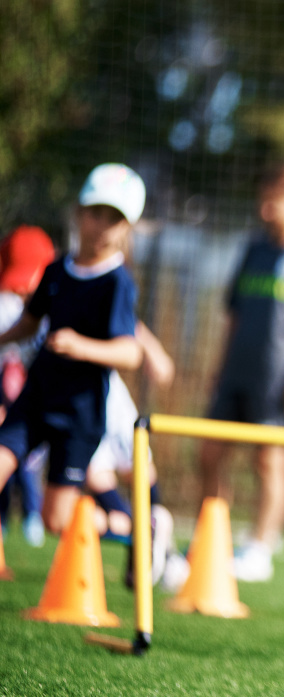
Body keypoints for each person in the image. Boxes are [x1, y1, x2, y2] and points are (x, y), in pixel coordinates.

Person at [200, 162, 284, 582]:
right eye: (265, 196)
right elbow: (234, 315)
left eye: (276, 197)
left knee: (269, 461)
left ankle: (261, 547)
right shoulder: (253, 248)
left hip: (277, 378)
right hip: (236, 372)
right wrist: (220, 366)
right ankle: (214, 539)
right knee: (209, 454)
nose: (267, 206)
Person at [0, 163, 145, 539]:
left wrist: (81, 346)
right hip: (37, 396)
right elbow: (29, 324)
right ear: (79, 213)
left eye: (113, 219)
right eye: (96, 213)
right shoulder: (56, 269)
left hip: (80, 413)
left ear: (126, 228)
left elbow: (130, 354)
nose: (101, 225)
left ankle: (131, 528)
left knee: (57, 521)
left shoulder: (117, 283)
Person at [87, 321, 180, 589]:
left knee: (132, 465)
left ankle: (153, 531)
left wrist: (154, 351)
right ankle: (154, 533)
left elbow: (122, 314)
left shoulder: (58, 281)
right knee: (101, 478)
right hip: (67, 393)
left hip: (101, 390)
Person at [0, 226, 56, 547]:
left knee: (31, 468)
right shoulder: (8, 306)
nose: (22, 290)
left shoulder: (59, 301)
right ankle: (9, 519)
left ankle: (33, 515)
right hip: (18, 400)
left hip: (51, 400)